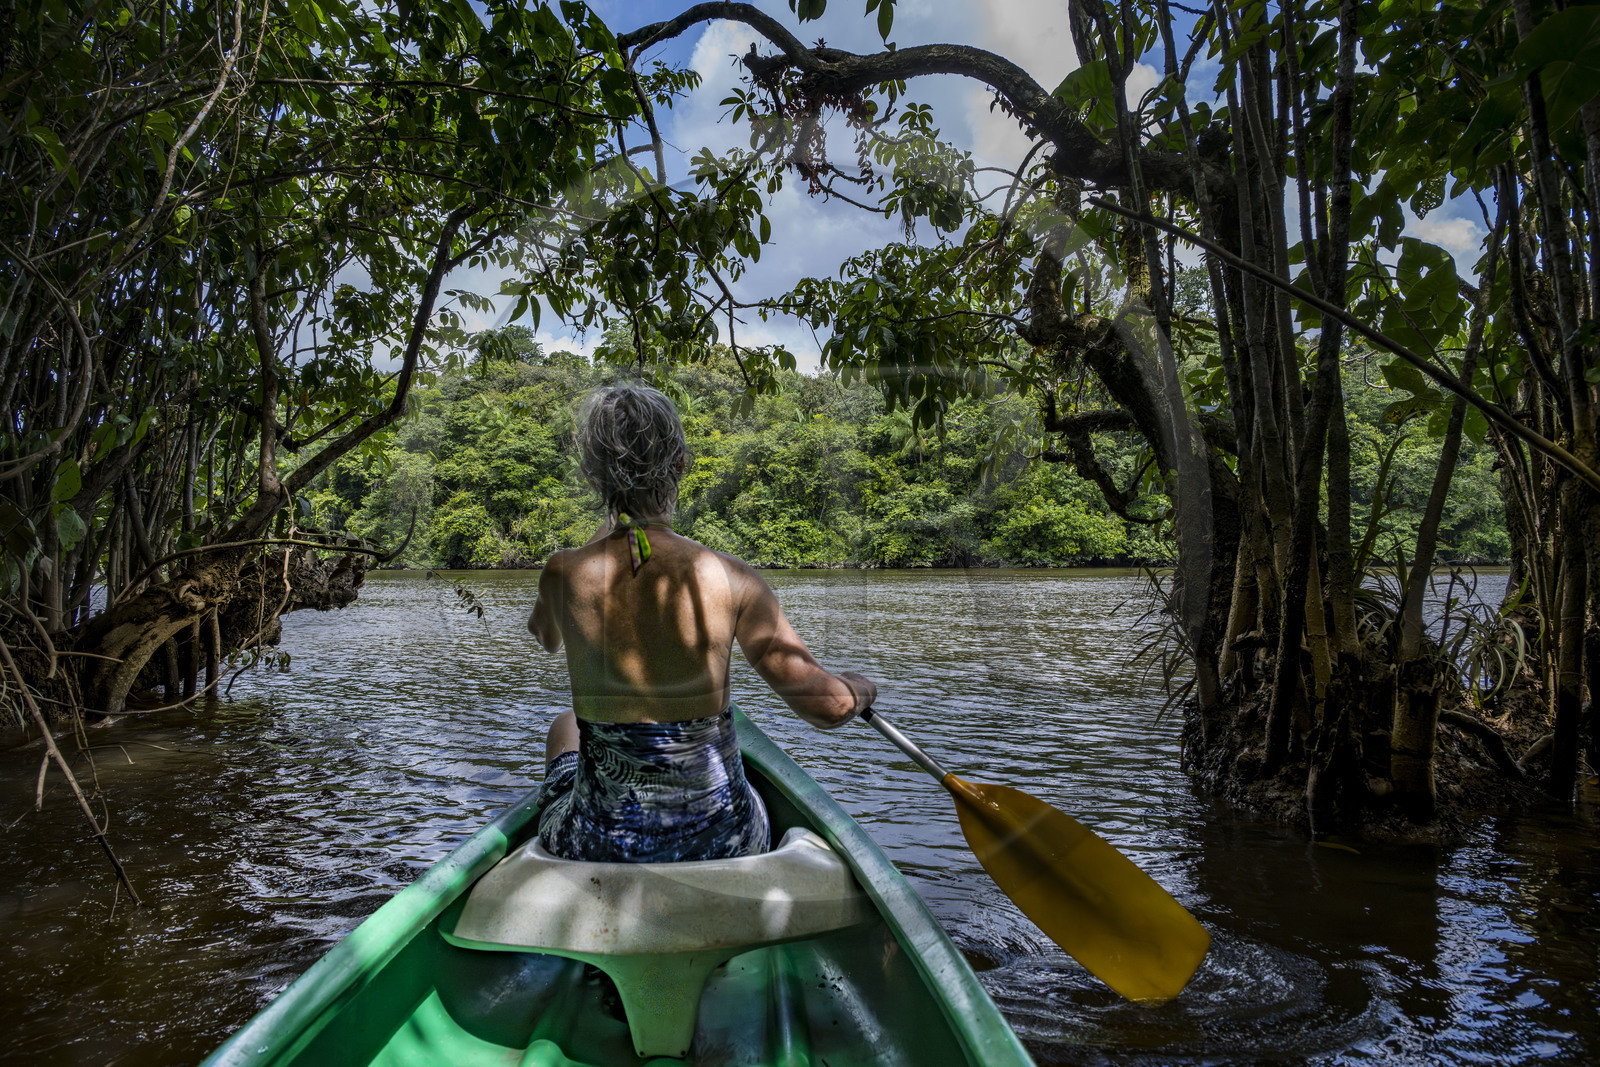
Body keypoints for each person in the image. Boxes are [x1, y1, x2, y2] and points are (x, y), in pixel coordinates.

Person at [527, 383, 876, 863]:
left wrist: (611, 522)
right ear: (679, 466)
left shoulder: (563, 572)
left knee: (565, 725)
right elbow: (829, 708)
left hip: (597, 844)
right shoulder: (732, 579)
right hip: (723, 840)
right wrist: (861, 688)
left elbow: (545, 638)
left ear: (593, 476)